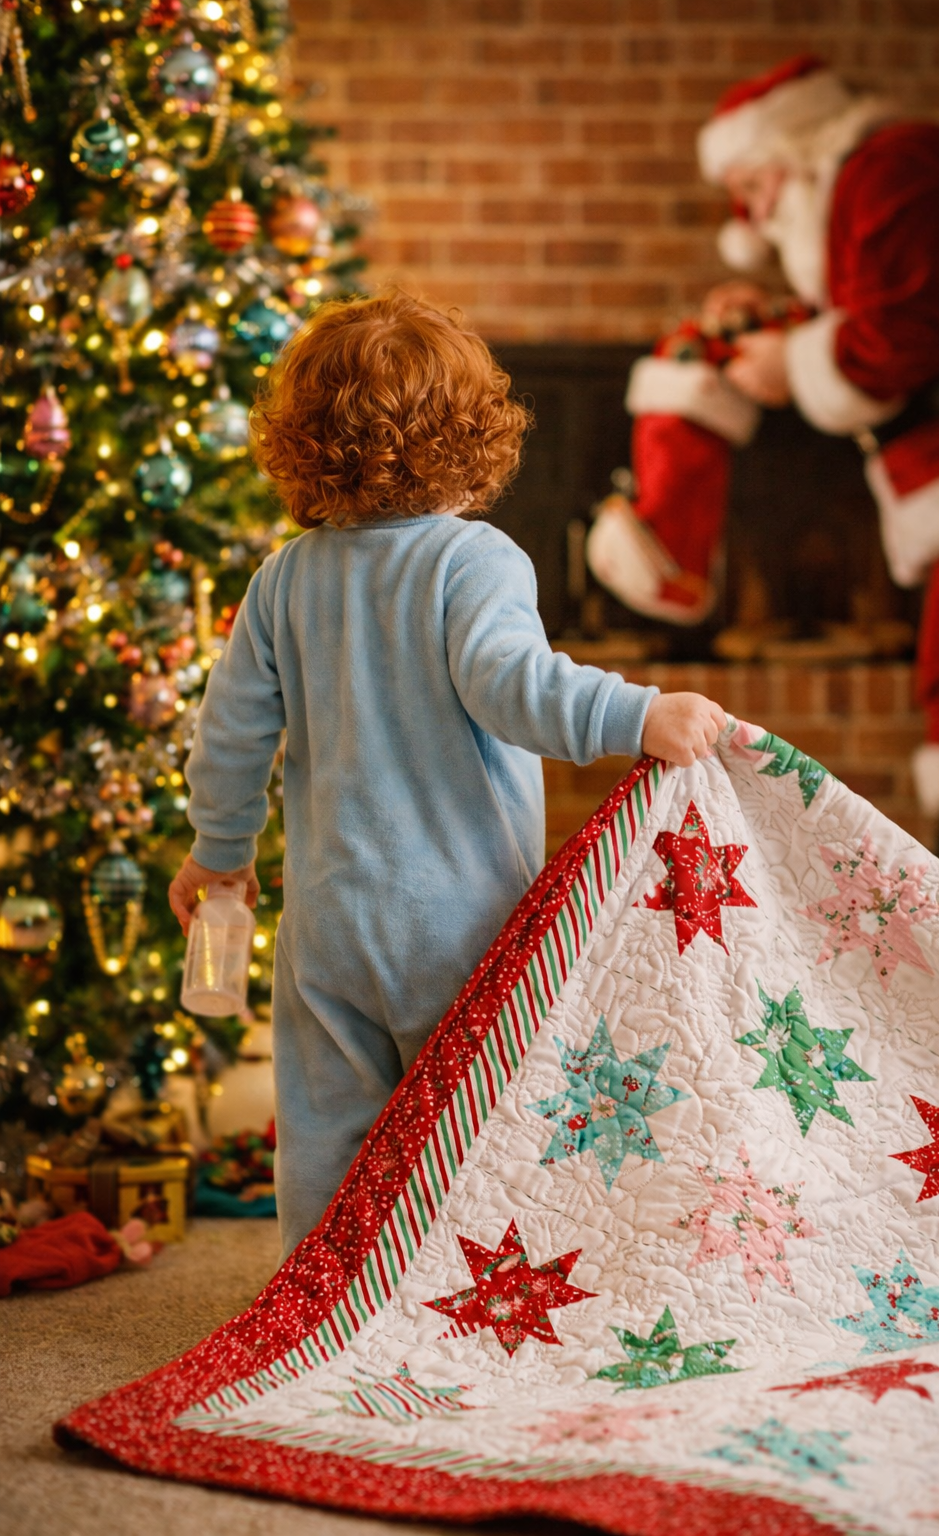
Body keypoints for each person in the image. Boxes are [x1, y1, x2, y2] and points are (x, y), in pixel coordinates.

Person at [167, 292, 727, 1258]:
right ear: (472, 436)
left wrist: (220, 854)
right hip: (459, 923)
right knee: (468, 1124)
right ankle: (455, 1292)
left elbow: (229, 737)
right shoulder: (475, 559)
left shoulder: (285, 579)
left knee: (328, 1126)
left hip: (328, 921)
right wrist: (636, 714)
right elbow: (515, 688)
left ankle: (319, 1297)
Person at [692, 54, 939, 913]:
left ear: (796, 151)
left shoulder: (897, 171)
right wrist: (780, 326)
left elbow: (909, 331)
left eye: (753, 188)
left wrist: (791, 364)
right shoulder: (874, 180)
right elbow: (890, 300)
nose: (752, 219)